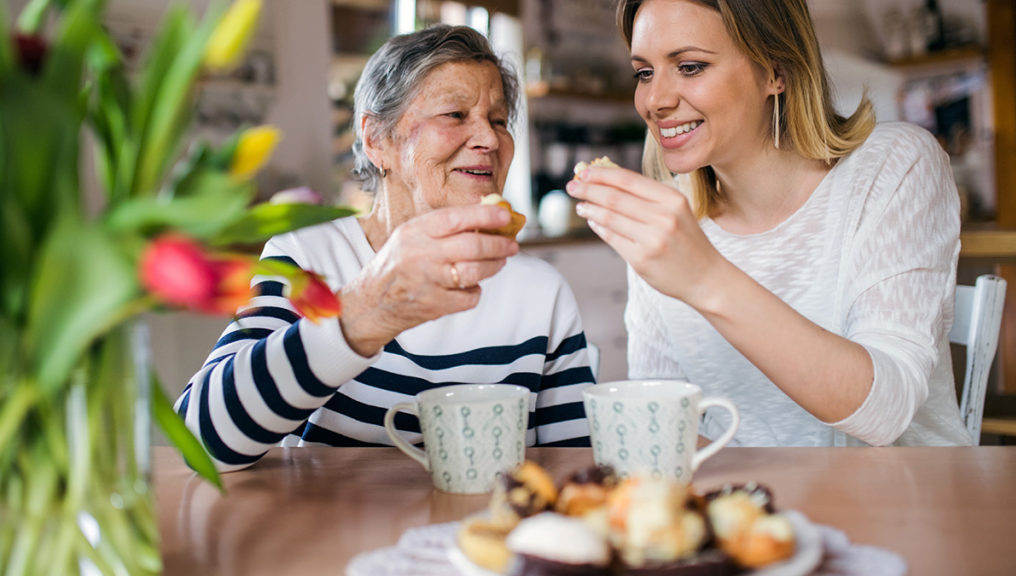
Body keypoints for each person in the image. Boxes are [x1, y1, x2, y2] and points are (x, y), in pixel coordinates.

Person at [176, 25, 595, 471]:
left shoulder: (540, 292)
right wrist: (365, 316)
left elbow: (577, 470)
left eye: (497, 120)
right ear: (378, 140)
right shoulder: (307, 259)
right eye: (455, 114)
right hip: (331, 535)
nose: (489, 139)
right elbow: (198, 441)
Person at [566, 0, 971, 446]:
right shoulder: (669, 215)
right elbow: (667, 421)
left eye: (691, 67)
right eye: (644, 73)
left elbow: (885, 412)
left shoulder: (893, 166)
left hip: (901, 506)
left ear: (775, 70)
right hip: (740, 507)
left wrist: (704, 277)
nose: (655, 100)